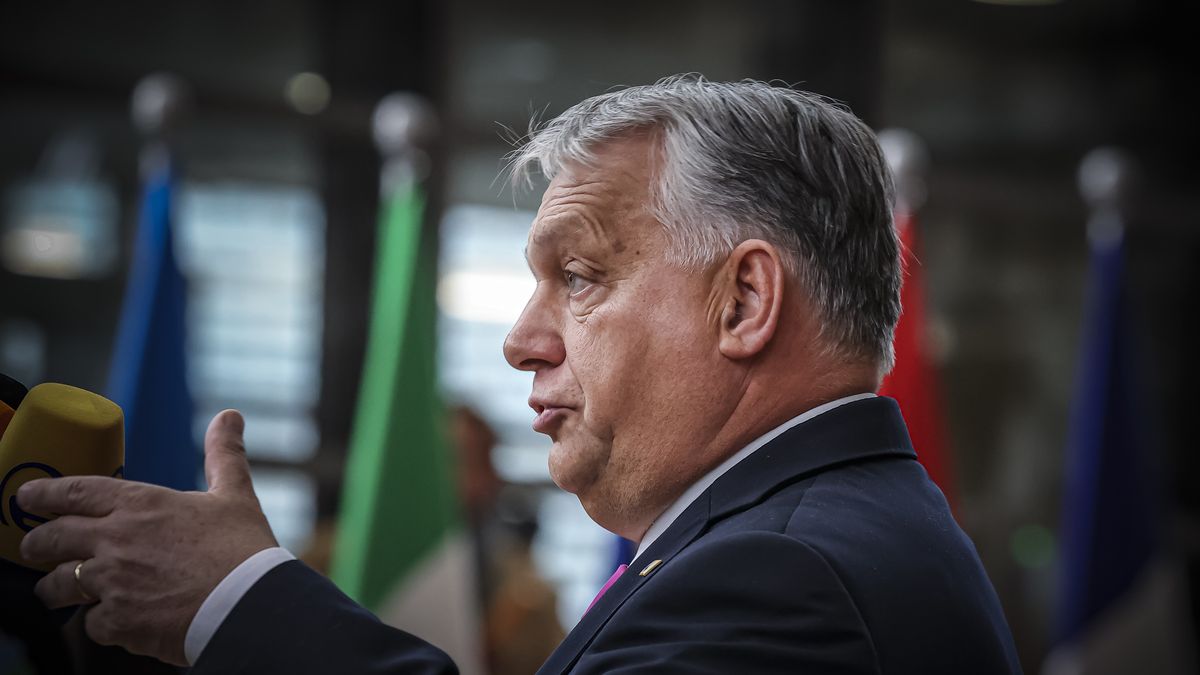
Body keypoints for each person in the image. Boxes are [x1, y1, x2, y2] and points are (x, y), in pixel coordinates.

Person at [14, 75, 1021, 674]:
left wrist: (238, 601)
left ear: (746, 303)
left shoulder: (783, 576)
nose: (521, 341)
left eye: (578, 277)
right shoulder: (824, 529)